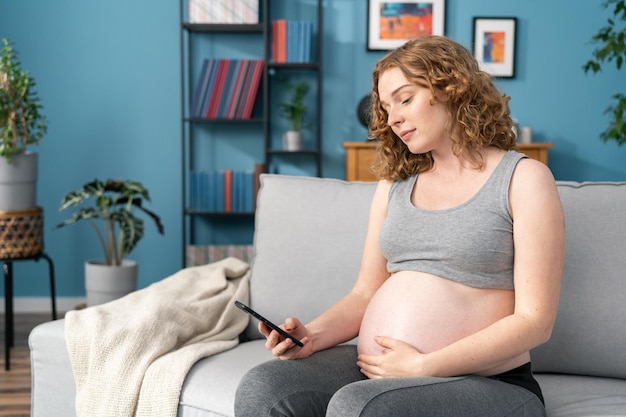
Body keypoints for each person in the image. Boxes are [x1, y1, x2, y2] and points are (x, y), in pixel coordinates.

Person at [235, 35, 565, 417]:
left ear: (451, 89)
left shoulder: (524, 178)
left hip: (489, 381)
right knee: (266, 387)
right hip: (383, 369)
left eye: (404, 99)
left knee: (360, 406)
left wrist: (427, 365)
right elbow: (364, 294)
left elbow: (535, 322)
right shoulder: (395, 184)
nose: (392, 119)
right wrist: (311, 336)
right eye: (386, 107)